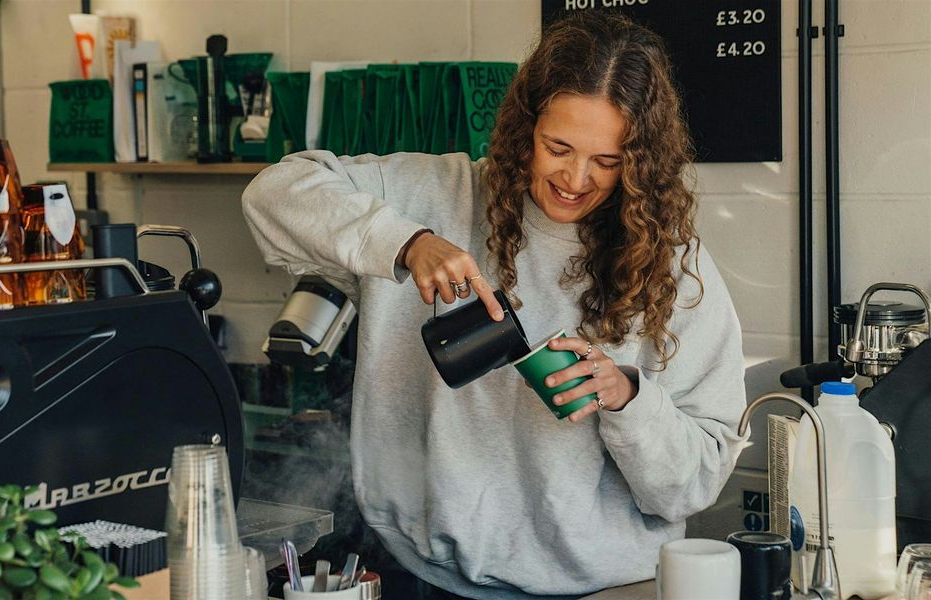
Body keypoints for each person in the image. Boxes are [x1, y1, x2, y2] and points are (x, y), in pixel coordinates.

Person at [242, 11, 747, 600]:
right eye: (558, 147)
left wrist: (626, 397)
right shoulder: (436, 195)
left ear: (640, 161)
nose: (576, 178)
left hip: (603, 587)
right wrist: (406, 242)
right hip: (424, 573)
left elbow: (694, 485)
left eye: (608, 161)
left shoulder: (671, 266)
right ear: (525, 126)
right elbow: (271, 194)